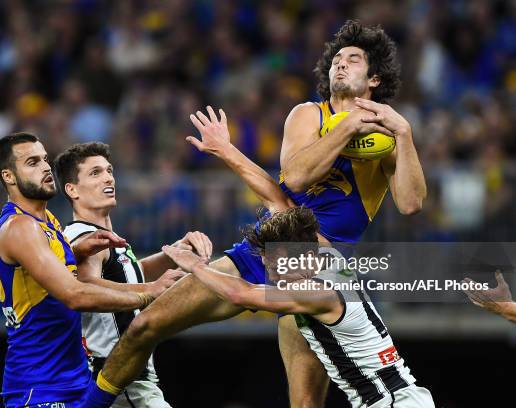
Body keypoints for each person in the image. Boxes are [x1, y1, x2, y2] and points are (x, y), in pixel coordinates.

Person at [89, 20, 426, 408]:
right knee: (145, 326)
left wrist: (404, 135)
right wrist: (348, 126)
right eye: (336, 59)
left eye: (353, 59)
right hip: (261, 252)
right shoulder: (307, 115)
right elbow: (295, 179)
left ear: (375, 78)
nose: (340, 64)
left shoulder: (388, 136)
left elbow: (411, 203)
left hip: (317, 270)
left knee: (304, 404)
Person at [161, 206, 435, 408]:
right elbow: (294, 217)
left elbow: (239, 294)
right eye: (268, 266)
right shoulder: (331, 260)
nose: (273, 275)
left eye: (278, 265)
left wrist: (195, 266)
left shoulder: (319, 292)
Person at [0, 133, 183, 407]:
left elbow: (49, 272)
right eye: (32, 162)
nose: (45, 168)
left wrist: (77, 251)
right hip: (41, 388)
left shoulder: (49, 224)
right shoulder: (20, 227)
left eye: (45, 159)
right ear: (9, 176)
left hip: (75, 382)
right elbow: (75, 295)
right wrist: (148, 293)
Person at [54, 142, 212, 407]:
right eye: (95, 173)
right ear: (72, 190)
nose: (108, 177)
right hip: (120, 379)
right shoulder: (84, 237)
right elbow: (86, 284)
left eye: (109, 170)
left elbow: (125, 273)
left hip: (128, 379)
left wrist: (172, 253)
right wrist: (150, 289)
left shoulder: (102, 237)